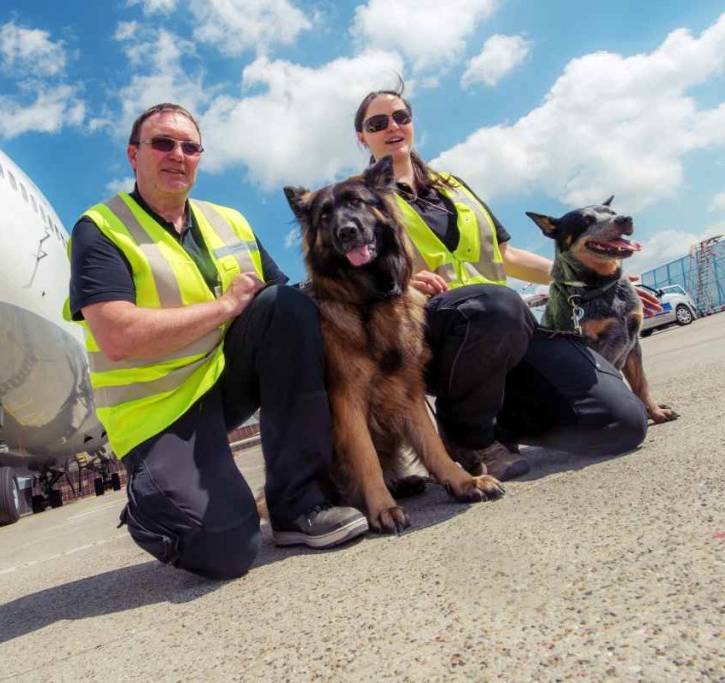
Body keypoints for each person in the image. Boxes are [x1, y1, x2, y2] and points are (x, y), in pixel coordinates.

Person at [66, 103, 368, 580]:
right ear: (133, 155)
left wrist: (386, 288)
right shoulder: (100, 229)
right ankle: (153, 500)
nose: (177, 155)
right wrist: (225, 308)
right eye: (162, 143)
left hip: (223, 383)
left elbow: (286, 304)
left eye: (190, 147)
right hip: (159, 412)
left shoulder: (228, 220)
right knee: (228, 550)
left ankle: (297, 506)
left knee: (287, 310)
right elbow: (116, 335)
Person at [352, 83, 654, 480]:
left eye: (401, 117)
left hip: (506, 326)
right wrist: (404, 284)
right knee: (496, 304)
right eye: (378, 123)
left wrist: (601, 284)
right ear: (363, 137)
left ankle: (499, 422)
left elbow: (506, 256)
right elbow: (352, 281)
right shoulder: (358, 201)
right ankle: (466, 435)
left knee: (623, 423)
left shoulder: (454, 186)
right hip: (432, 333)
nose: (392, 126)